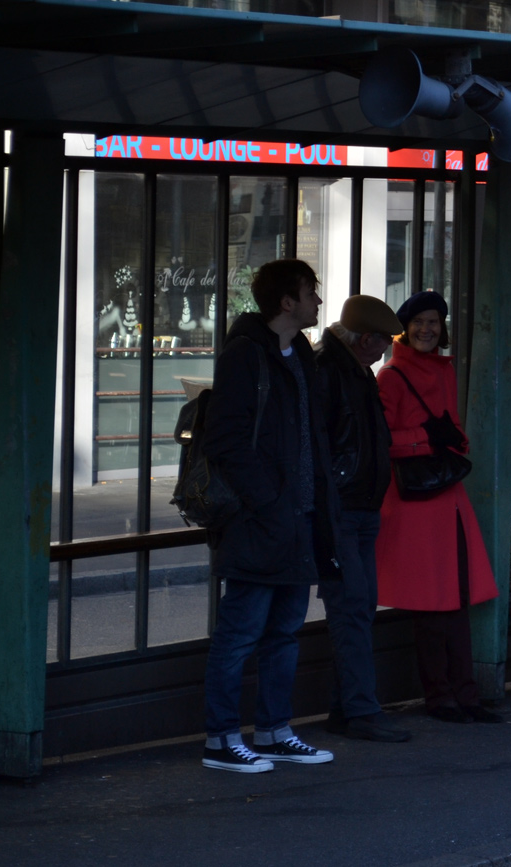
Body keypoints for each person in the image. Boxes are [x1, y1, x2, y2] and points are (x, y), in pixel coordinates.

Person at [200, 258, 344, 773]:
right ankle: (221, 740)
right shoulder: (245, 355)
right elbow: (225, 440)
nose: (318, 301)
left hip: (298, 518)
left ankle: (274, 731)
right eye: (311, 293)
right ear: (287, 301)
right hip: (259, 521)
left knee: (284, 633)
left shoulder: (300, 350)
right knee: (239, 635)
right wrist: (268, 503)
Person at [376, 291, 501, 725]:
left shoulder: (444, 370)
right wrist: (427, 439)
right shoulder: (390, 375)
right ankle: (441, 697)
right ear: (404, 329)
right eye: (418, 322)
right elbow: (380, 439)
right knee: (432, 606)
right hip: (415, 500)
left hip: (446, 495)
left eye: (433, 322)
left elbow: (455, 430)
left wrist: (453, 441)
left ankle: (465, 694)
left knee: (457, 601)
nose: (426, 329)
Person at [314, 294, 411, 743]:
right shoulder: (329, 370)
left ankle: (347, 708)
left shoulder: (354, 370)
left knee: (359, 606)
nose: (387, 349)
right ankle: (361, 710)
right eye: (384, 341)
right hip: (342, 509)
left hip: (359, 507)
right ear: (365, 340)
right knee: (352, 607)